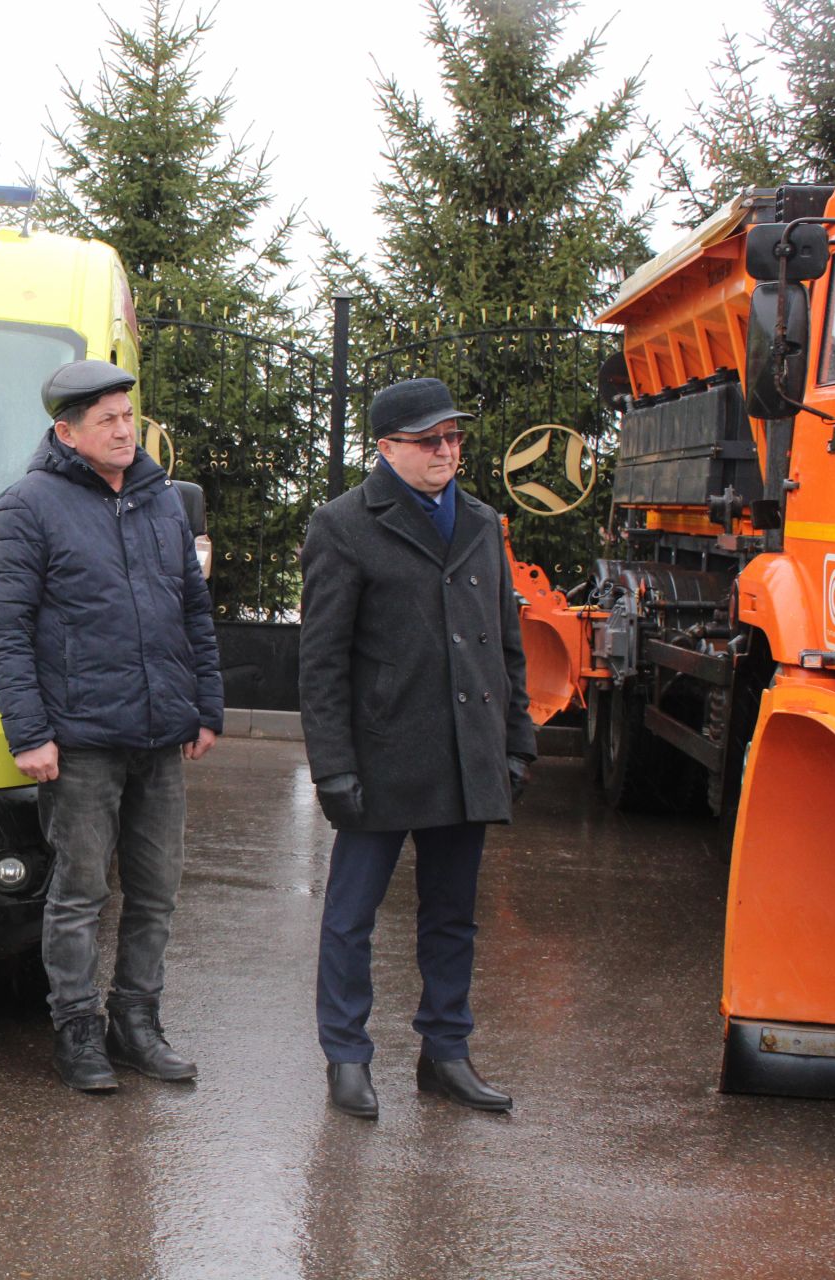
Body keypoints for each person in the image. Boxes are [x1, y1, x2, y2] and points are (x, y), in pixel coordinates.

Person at [0, 358, 224, 1092]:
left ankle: (137, 1025)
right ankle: (78, 1030)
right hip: (80, 740)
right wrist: (28, 732)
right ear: (67, 431)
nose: (125, 431)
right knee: (81, 891)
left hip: (160, 736)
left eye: (128, 417)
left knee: (156, 892)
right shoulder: (26, 506)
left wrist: (205, 704)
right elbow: (5, 627)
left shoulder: (161, 502)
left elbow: (192, 612)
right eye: (109, 421)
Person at [298, 376, 536, 1119]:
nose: (446, 451)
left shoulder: (481, 522)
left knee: (452, 915)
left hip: (467, 755)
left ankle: (446, 1052)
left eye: (454, 438)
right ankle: (346, 1056)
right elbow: (323, 662)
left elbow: (505, 643)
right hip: (381, 756)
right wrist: (333, 767)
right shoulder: (343, 526)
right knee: (351, 916)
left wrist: (518, 741)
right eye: (429, 440)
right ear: (386, 448)